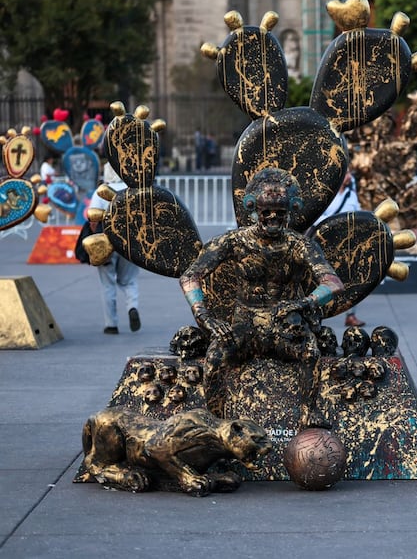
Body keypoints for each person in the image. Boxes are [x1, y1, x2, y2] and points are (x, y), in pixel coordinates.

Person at [180, 167, 345, 423]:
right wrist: (204, 316)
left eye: (279, 213)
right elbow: (190, 276)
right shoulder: (234, 242)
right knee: (213, 359)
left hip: (285, 324)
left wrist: (303, 303)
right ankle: (213, 419)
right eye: (266, 212)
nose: (272, 218)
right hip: (245, 324)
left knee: (310, 353)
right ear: (254, 209)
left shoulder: (298, 244)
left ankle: (308, 409)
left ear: (289, 212)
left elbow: (333, 282)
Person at [88, 163, 141, 335]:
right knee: (129, 280)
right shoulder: (133, 189)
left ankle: (111, 324)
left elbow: (93, 220)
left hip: (107, 243)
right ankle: (132, 306)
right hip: (130, 243)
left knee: (107, 284)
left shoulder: (101, 191)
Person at [314, 170, 365, 327]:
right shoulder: (326, 195)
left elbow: (356, 213)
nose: (349, 177)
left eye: (349, 175)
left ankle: (351, 315)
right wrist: (334, 222)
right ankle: (317, 314)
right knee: (323, 278)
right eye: (346, 174)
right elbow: (316, 216)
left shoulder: (351, 194)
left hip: (347, 241)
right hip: (326, 241)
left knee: (352, 278)